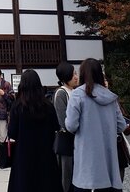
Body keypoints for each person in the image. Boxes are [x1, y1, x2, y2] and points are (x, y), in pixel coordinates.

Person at [65, 58, 127, 192]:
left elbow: (71, 126)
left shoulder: (77, 95)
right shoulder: (110, 97)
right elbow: (121, 125)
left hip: (86, 162)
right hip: (108, 162)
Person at [7, 70, 62, 191]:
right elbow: (55, 127)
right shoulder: (48, 105)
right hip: (45, 153)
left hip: (24, 154)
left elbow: (12, 132)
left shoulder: (18, 106)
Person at [54, 62, 78, 192]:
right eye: (73, 74)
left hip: (77, 140)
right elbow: (62, 121)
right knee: (67, 175)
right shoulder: (61, 94)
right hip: (67, 140)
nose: (76, 76)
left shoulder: (76, 91)